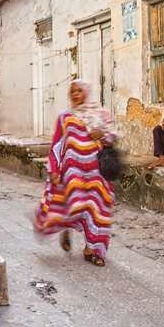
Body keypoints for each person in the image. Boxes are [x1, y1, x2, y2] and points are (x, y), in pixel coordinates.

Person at [34, 79, 115, 267]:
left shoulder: (102, 114)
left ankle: (92, 250)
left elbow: (112, 138)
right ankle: (67, 229)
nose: (76, 94)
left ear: (87, 92)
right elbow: (56, 144)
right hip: (72, 172)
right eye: (73, 92)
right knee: (75, 205)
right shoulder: (65, 116)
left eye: (80, 90)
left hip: (97, 172)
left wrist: (102, 134)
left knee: (96, 209)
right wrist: (53, 169)